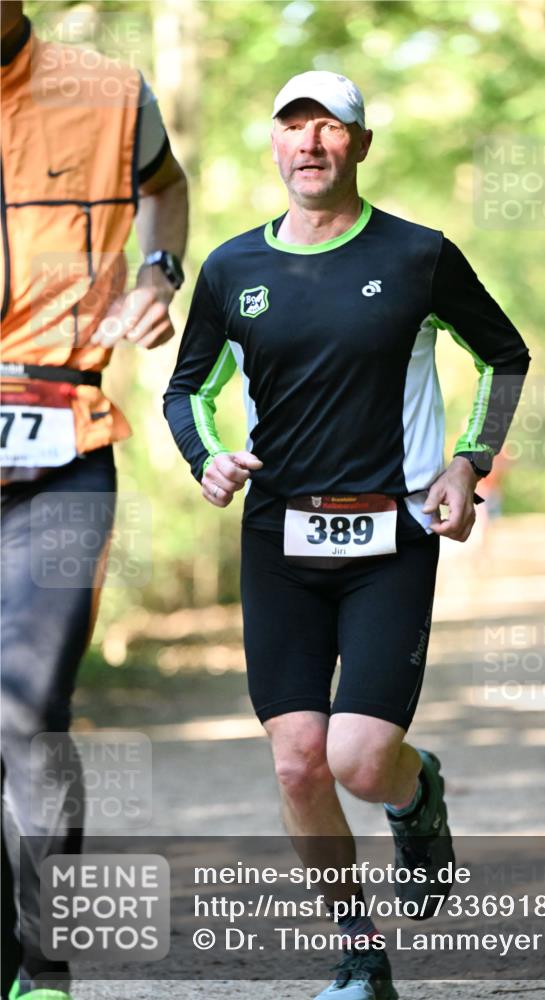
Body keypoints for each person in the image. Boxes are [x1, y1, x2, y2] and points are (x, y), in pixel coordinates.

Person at [164, 70, 529, 999]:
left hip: (390, 537)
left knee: (359, 761)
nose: (311, 145)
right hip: (277, 538)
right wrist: (205, 458)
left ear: (361, 146)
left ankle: (416, 793)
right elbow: (186, 390)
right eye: (295, 128)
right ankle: (359, 957)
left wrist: (467, 460)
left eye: (332, 128)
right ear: (274, 146)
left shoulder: (417, 256)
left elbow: (502, 352)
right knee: (297, 763)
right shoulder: (231, 269)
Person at [0, 3, 188, 997]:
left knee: (28, 711)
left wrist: (159, 270)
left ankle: (43, 968)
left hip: (58, 449)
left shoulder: (110, 95)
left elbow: (166, 188)